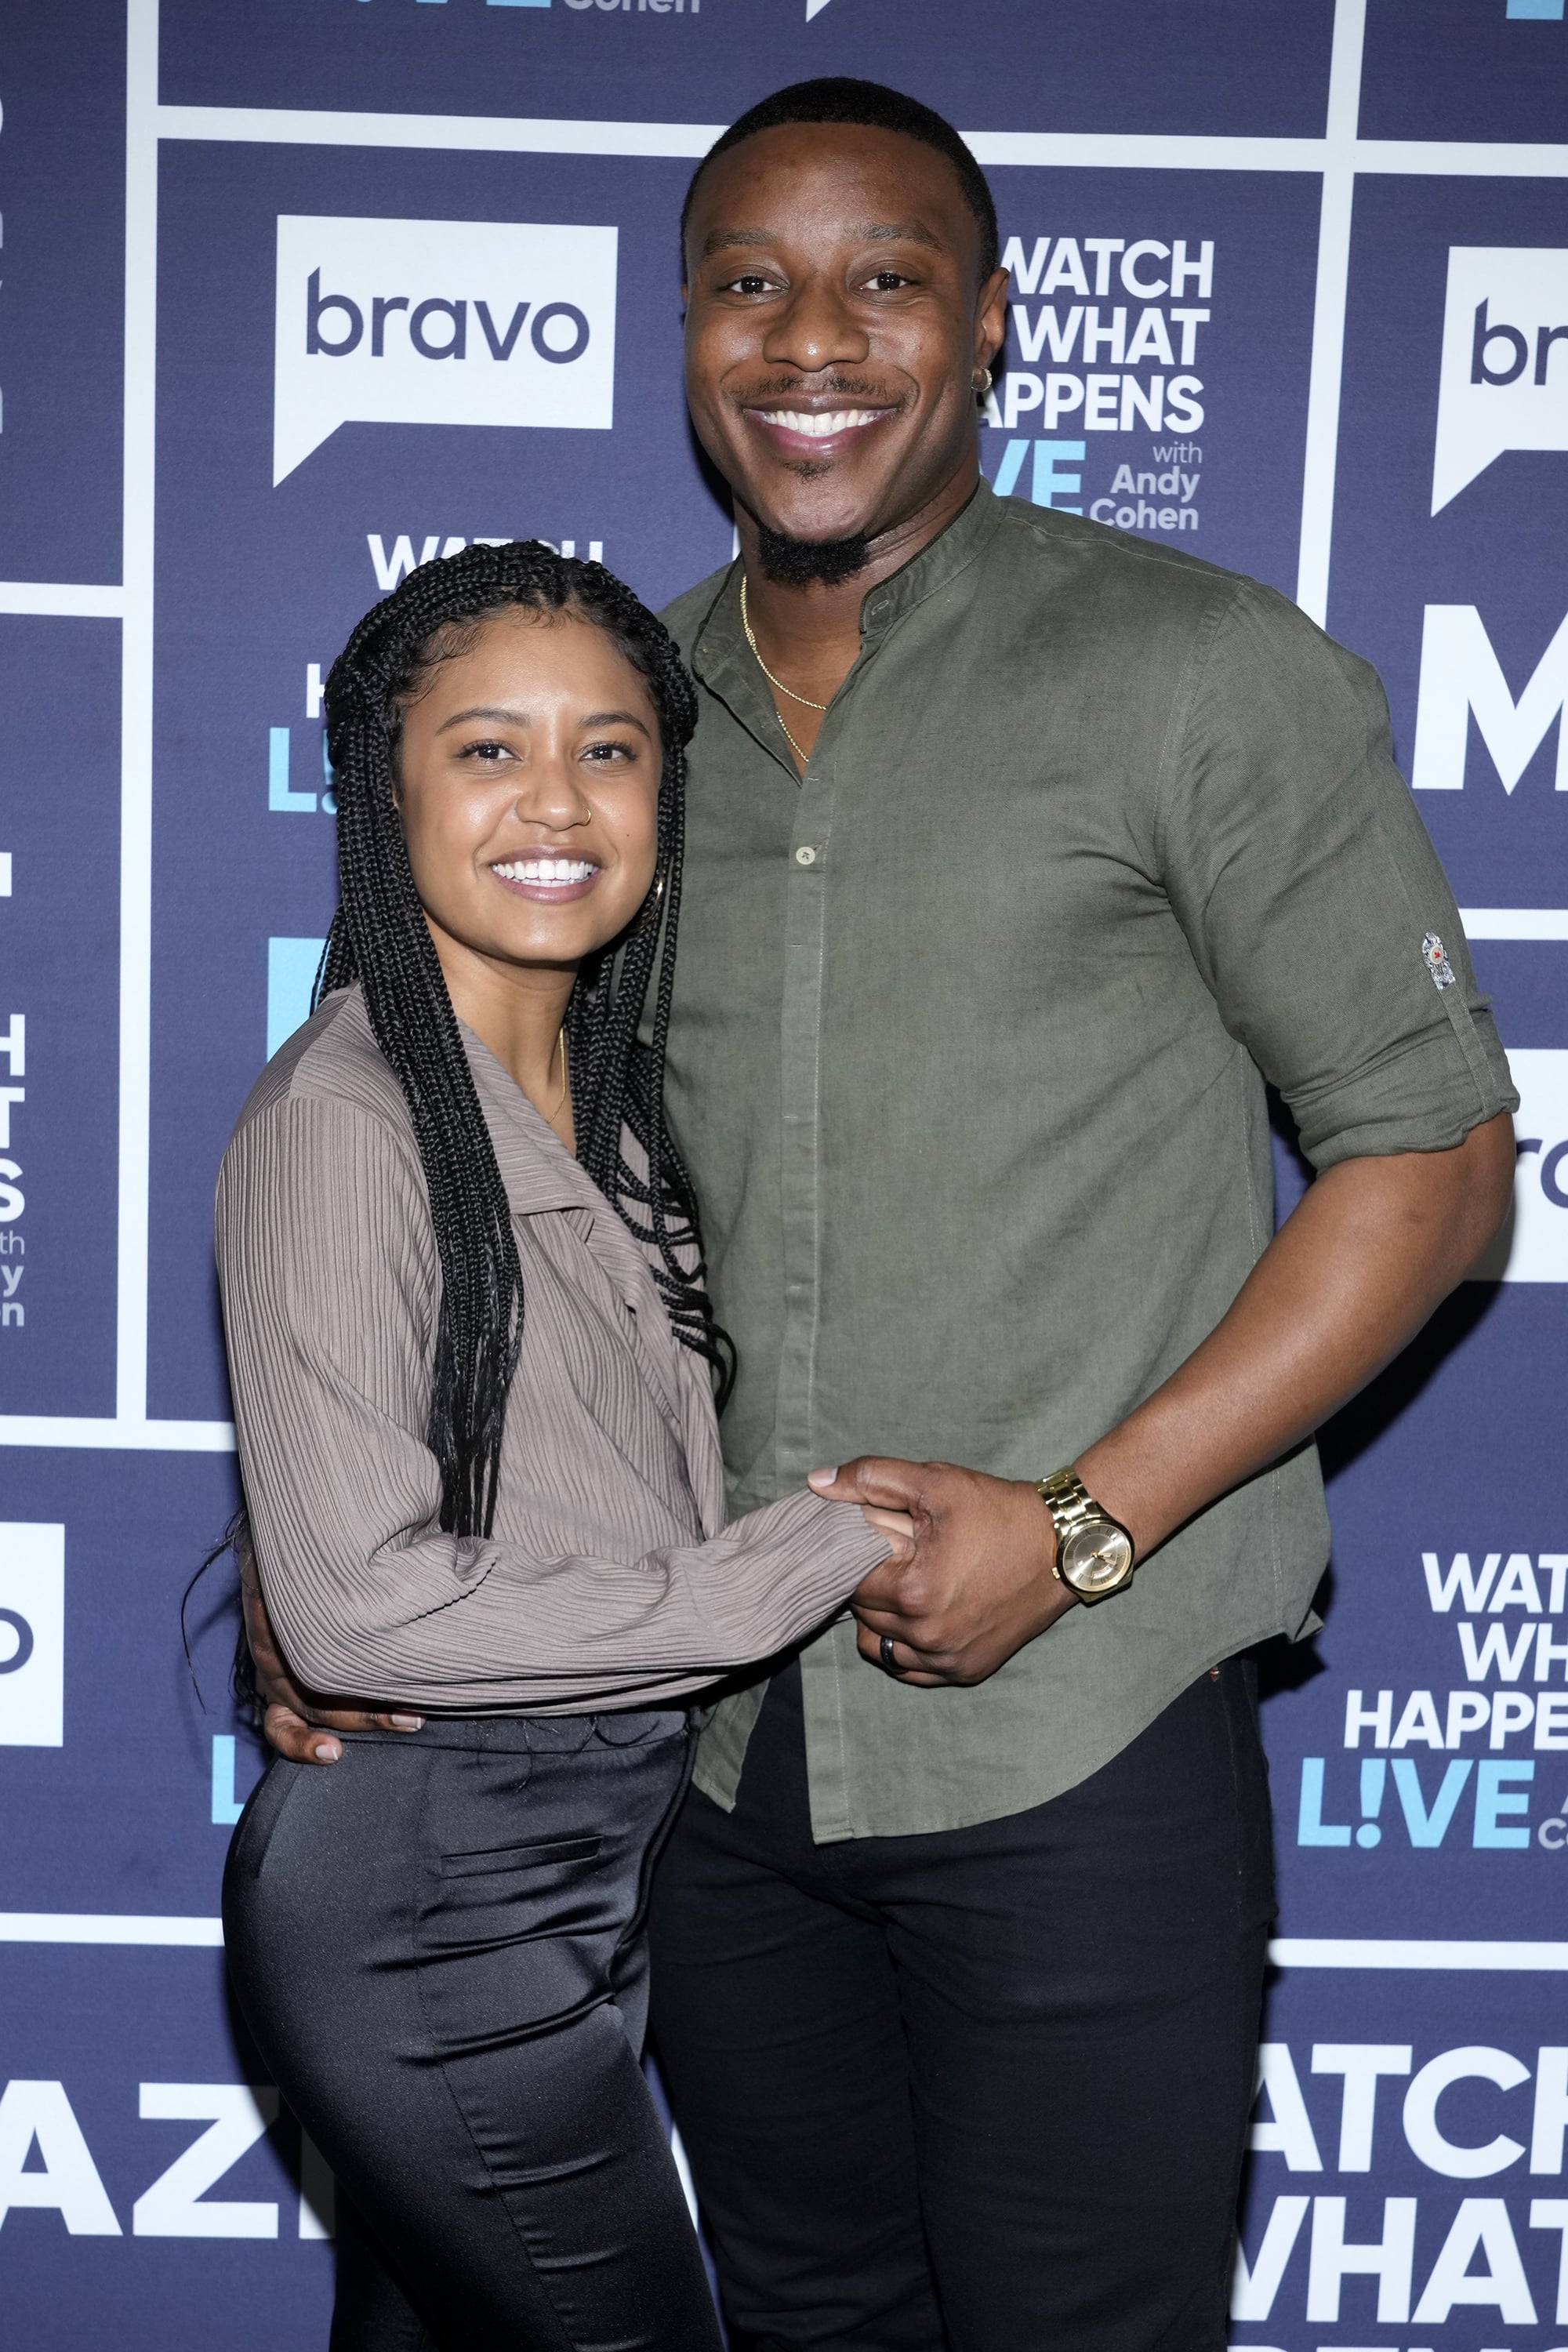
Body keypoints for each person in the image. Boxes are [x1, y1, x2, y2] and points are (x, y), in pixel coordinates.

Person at [252, 78, 1517, 2352]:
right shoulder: (611, 728)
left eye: (883, 280)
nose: (811, 340)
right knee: (813, 2314)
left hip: (1088, 1726)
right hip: (711, 1753)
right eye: (751, 283)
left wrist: (1084, 1526)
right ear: (685, 335)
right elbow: (456, 1171)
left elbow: (1431, 1165)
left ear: (993, 323)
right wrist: (349, 1549)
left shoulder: (1200, 677)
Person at [215, 539, 909, 2352]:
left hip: (571, 1877)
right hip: (432, 1909)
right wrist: (827, 1542)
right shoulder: (343, 1118)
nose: (556, 801)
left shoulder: (600, 1110)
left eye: (609, 751)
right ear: (387, 790)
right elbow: (362, 1614)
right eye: (486, 750)